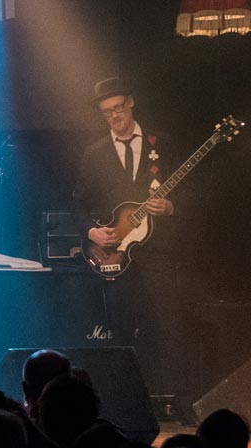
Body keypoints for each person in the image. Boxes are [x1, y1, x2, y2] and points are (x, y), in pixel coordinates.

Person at [73, 76, 180, 389]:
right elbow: (78, 205)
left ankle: (169, 396)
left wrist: (171, 207)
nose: (114, 115)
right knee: (120, 328)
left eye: (118, 107)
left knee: (166, 326)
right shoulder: (94, 153)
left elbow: (192, 192)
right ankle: (122, 394)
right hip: (116, 253)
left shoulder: (162, 143)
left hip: (158, 253)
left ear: (130, 102)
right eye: (107, 111)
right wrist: (92, 232)